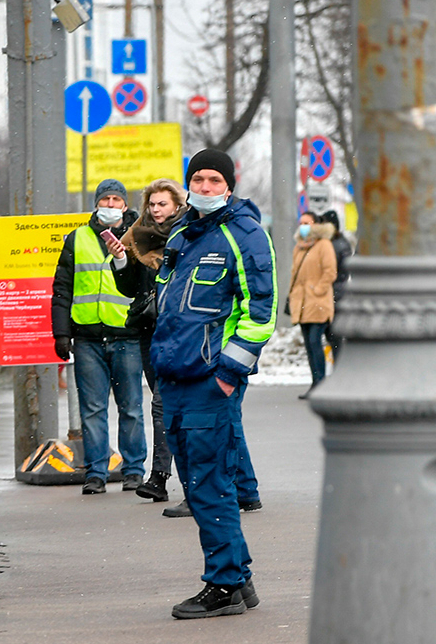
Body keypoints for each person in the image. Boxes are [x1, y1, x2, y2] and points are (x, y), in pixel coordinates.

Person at [151, 149, 276, 619]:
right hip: (176, 379)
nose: (204, 187)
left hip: (209, 382)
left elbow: (261, 313)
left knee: (209, 484)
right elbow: (168, 302)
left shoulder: (245, 234)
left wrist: (228, 374)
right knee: (200, 480)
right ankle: (238, 579)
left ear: (229, 184)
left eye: (213, 180)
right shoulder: (183, 233)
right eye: (197, 179)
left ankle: (223, 585)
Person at [51, 179, 147, 495]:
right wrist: (62, 333)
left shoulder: (137, 238)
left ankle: (133, 470)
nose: (110, 205)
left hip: (126, 335)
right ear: (96, 203)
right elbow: (62, 289)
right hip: (88, 337)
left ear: (124, 204)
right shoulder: (77, 239)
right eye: (105, 199)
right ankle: (96, 473)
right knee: (92, 409)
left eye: (116, 199)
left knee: (130, 407)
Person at [107, 178, 187, 504]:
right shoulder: (137, 235)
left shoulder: (187, 234)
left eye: (162, 204)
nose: (156, 210)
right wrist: (121, 260)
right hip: (147, 329)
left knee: (162, 406)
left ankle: (159, 476)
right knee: (167, 405)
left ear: (176, 206)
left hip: (180, 330)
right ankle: (237, 480)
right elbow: (129, 289)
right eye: (152, 204)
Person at [289, 211, 337, 398]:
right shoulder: (299, 247)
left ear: (316, 225)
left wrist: (317, 290)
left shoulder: (324, 245)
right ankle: (315, 382)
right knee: (309, 345)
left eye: (307, 223)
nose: (303, 226)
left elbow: (330, 271)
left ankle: (321, 383)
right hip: (301, 303)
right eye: (301, 222)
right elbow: (295, 274)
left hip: (318, 302)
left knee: (315, 342)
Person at [318, 209, 352, 362]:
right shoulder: (338, 243)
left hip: (335, 294)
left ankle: (338, 367)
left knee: (334, 337)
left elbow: (339, 271)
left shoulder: (336, 244)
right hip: (335, 293)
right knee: (332, 337)